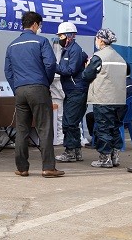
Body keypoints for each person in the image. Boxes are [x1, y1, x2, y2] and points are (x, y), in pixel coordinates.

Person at [4, 11, 64, 178]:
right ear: (35, 24)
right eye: (39, 25)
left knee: (22, 129)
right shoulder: (41, 41)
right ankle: (48, 167)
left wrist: (16, 87)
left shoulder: (12, 45)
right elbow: (50, 64)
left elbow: (8, 71)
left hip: (20, 90)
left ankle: (22, 168)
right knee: (44, 128)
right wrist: (46, 81)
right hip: (38, 88)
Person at [82, 28, 127, 168]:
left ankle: (105, 158)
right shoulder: (120, 58)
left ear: (101, 40)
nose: (96, 41)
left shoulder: (99, 57)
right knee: (115, 128)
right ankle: (115, 157)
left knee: (103, 129)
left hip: (104, 99)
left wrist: (87, 66)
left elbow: (86, 75)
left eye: (96, 38)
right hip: (120, 100)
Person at [54, 22, 89, 163]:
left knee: (69, 122)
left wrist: (53, 66)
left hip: (76, 91)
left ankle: (70, 152)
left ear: (69, 36)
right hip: (72, 91)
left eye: (61, 36)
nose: (59, 39)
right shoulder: (68, 50)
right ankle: (76, 151)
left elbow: (70, 70)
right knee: (72, 122)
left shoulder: (75, 50)